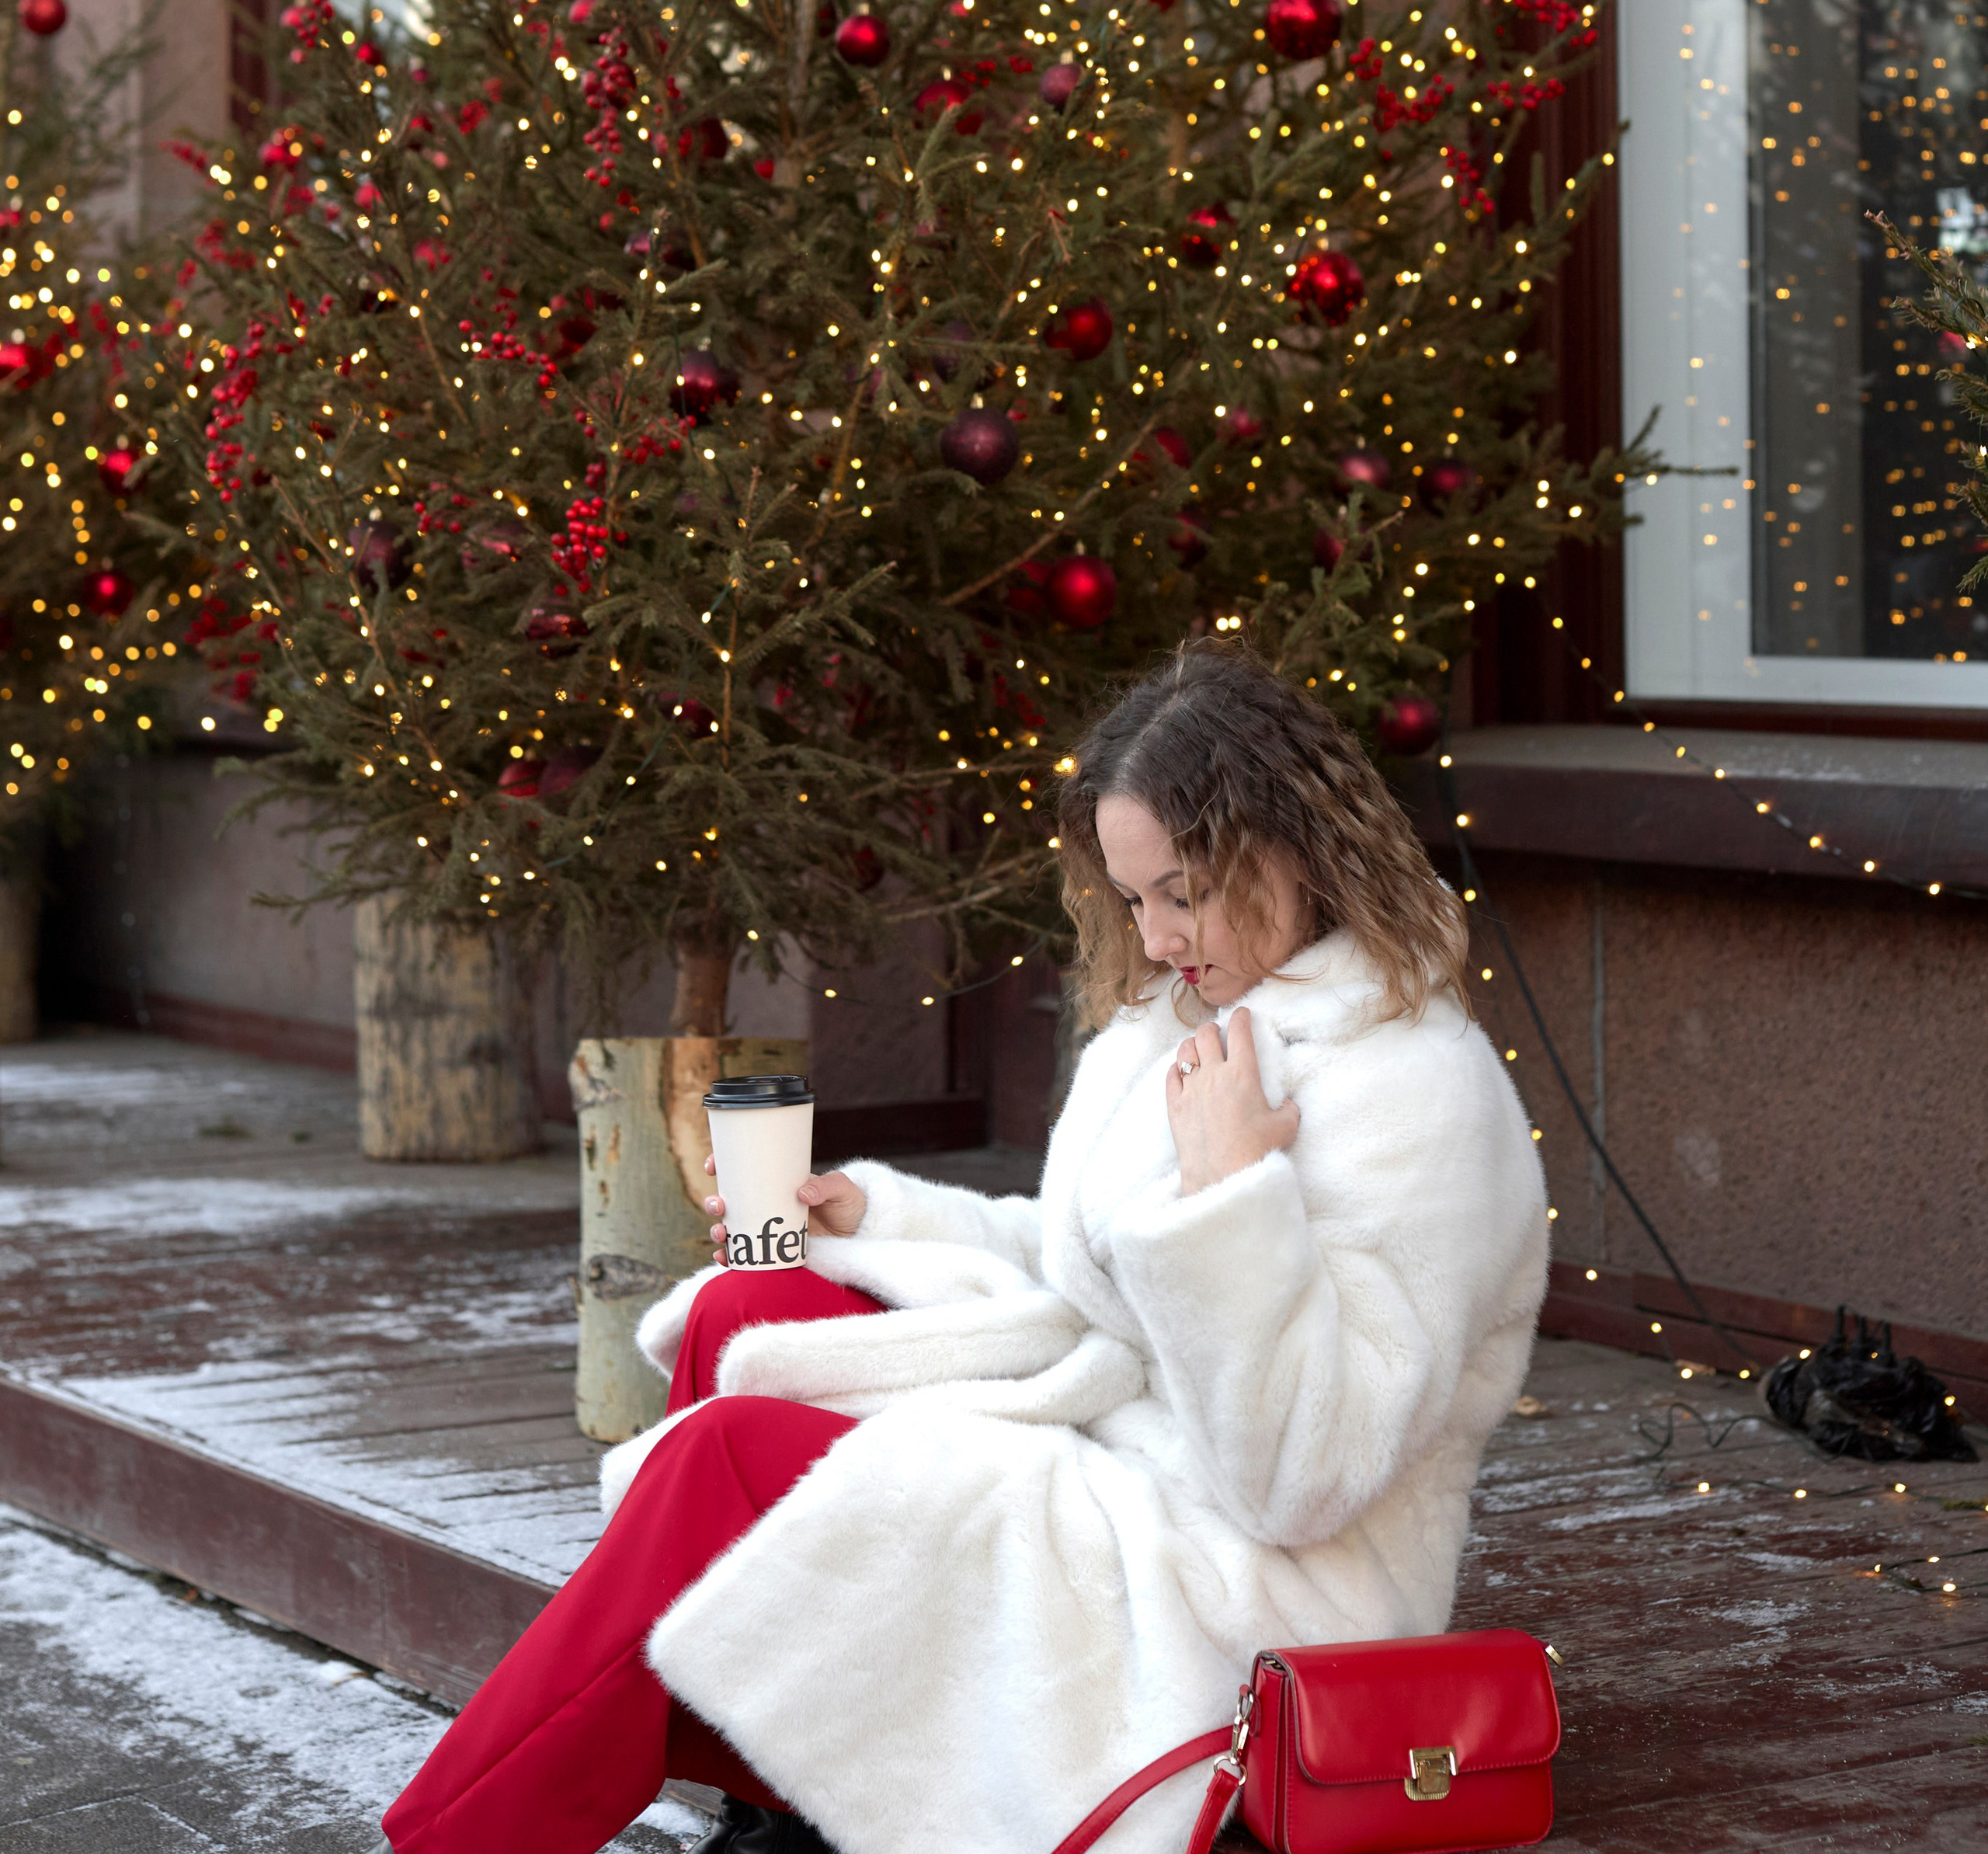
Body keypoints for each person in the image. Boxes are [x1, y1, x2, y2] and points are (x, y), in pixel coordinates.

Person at [384, 641, 1548, 1854]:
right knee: (752, 1308)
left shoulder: (1417, 1092)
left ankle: (455, 1841)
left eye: (1182, 893)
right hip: (1112, 1446)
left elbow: (1300, 1483)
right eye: (1132, 896)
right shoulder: (1186, 1020)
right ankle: (779, 1797)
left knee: (729, 1457)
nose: (1152, 940)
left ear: (1296, 851)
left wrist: (1233, 1192)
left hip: (1245, 1589)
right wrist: (877, 1221)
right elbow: (1089, 1265)